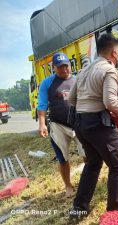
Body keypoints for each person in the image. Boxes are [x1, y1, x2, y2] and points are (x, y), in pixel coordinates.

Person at [68, 34, 118, 217]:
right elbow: (111, 102)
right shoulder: (110, 70)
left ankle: (79, 208)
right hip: (98, 124)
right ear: (113, 53)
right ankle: (115, 212)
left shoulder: (84, 70)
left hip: (81, 124)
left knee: (93, 162)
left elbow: (71, 99)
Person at [37, 52, 85, 197]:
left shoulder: (78, 80)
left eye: (66, 66)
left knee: (87, 154)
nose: (64, 69)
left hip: (78, 123)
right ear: (53, 67)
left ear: (70, 65)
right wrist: (42, 124)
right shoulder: (47, 83)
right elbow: (42, 105)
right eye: (60, 67)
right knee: (62, 158)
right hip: (58, 125)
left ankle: (87, 181)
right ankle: (68, 186)